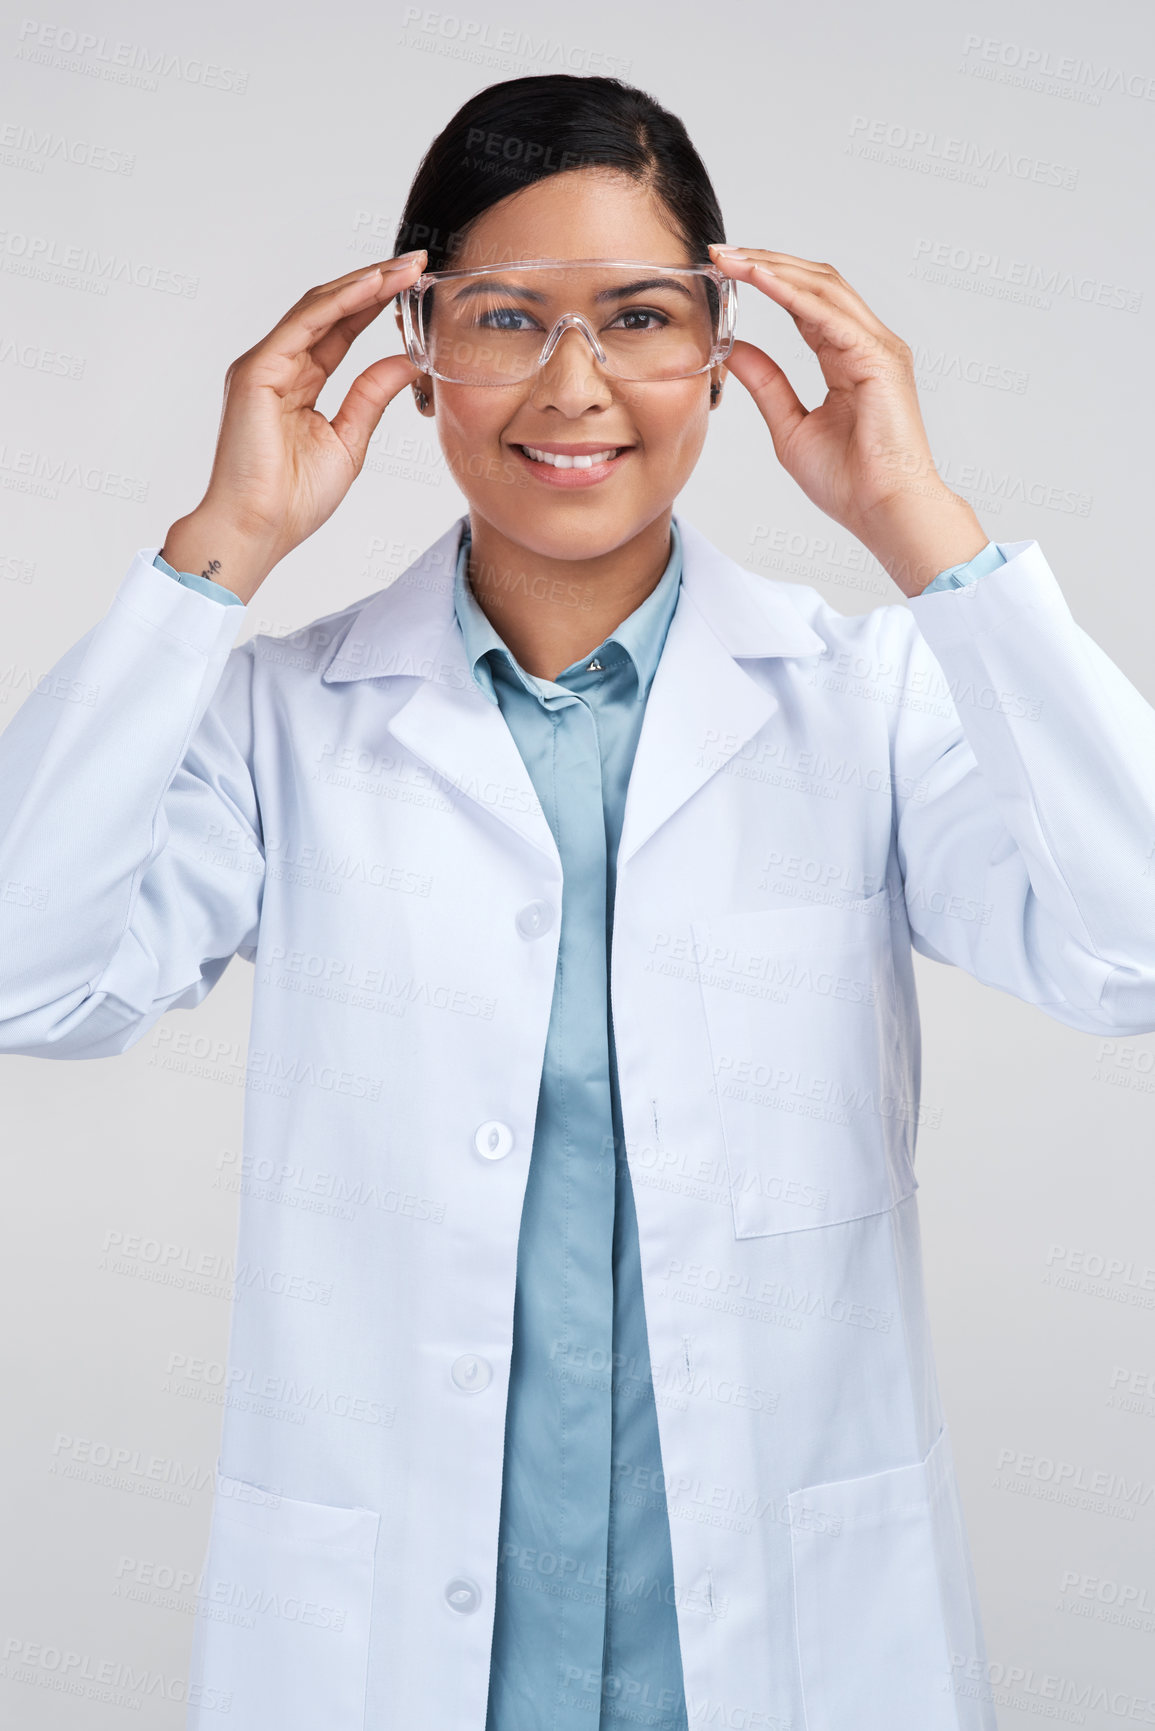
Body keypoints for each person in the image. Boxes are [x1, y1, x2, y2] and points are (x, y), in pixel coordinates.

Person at [1, 71, 1153, 1731]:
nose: (575, 384)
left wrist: (925, 532)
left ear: (721, 344)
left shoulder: (863, 699)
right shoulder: (284, 722)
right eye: (501, 317)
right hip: (407, 1658)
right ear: (412, 362)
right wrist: (220, 549)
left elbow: (1134, 946)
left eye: (638, 315)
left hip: (780, 1654)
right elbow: (36, 981)